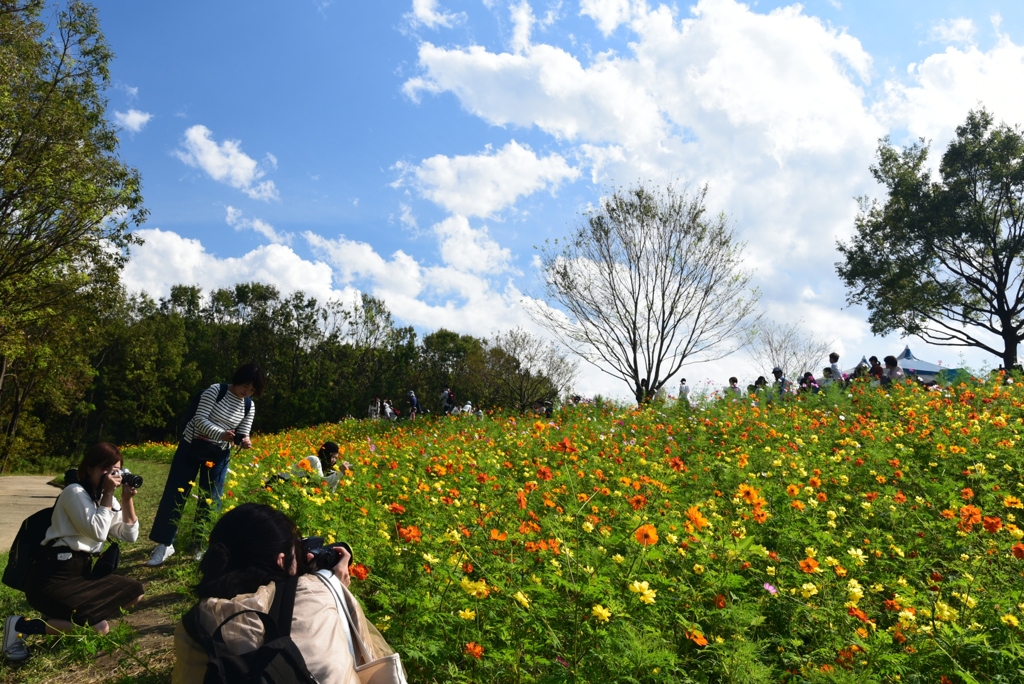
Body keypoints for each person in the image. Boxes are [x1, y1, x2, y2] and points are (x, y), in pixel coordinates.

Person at [173, 503, 397, 684]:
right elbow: (358, 661)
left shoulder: (195, 622)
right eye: (296, 553)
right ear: (281, 561)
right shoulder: (315, 591)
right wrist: (333, 588)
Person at [3, 443, 144, 663]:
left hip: (82, 575)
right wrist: (108, 493)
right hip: (52, 577)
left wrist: (126, 500)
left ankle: (64, 619)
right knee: (99, 628)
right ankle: (21, 625)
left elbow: (129, 535)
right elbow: (98, 531)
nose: (111, 475)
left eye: (116, 470)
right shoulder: (74, 492)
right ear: (89, 468)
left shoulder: (107, 498)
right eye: (105, 469)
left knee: (135, 591)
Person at [147, 363, 265, 567]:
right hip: (191, 447)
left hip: (219, 454)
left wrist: (244, 441)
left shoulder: (248, 405)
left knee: (211, 500)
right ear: (237, 379)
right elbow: (199, 420)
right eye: (245, 386)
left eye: (252, 390)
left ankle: (200, 545)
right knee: (176, 494)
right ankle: (165, 544)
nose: (246, 392)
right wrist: (221, 433)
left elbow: (243, 431)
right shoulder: (215, 390)